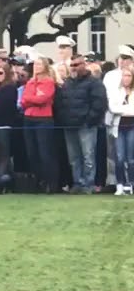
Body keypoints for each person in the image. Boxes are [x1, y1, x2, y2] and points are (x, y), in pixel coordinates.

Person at [56, 54, 108, 194]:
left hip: (86, 125)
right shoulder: (66, 83)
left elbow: (99, 103)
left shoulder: (94, 83)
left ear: (83, 65)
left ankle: (89, 184)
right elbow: (60, 103)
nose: (73, 68)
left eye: (76, 65)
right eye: (71, 65)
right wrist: (63, 119)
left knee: (88, 156)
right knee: (74, 158)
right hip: (69, 125)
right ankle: (77, 183)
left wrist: (89, 120)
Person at [21, 56, 59, 193]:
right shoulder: (30, 82)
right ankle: (38, 181)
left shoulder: (48, 82)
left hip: (43, 119)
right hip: (29, 118)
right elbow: (23, 100)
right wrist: (33, 99)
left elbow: (43, 99)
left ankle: (51, 183)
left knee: (45, 152)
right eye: (35, 64)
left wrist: (32, 99)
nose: (36, 66)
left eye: (39, 64)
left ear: (45, 66)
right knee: (32, 152)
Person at [109, 67, 134, 196]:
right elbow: (113, 107)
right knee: (119, 157)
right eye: (124, 75)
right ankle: (120, 184)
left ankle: (131, 184)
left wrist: (124, 108)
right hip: (119, 127)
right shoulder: (117, 91)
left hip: (132, 126)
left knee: (131, 158)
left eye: (129, 75)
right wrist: (127, 109)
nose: (126, 78)